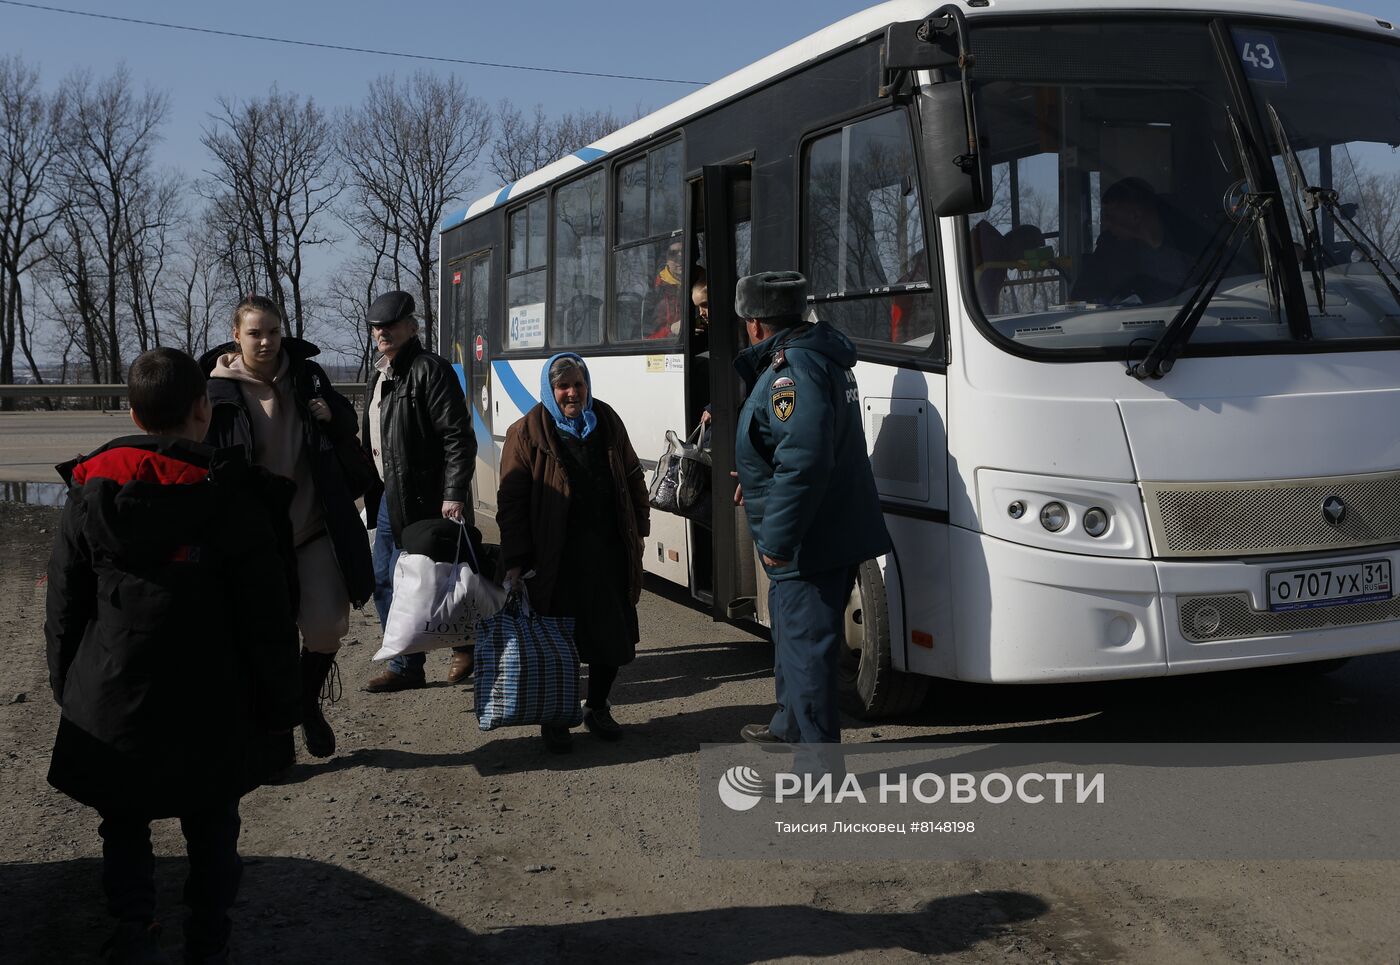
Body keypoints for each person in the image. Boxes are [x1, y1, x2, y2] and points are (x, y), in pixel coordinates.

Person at [45, 347, 300, 965]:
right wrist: (279, 706)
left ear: (134, 414)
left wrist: (67, 686)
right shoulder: (234, 496)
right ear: (202, 410)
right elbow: (268, 617)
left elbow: (64, 605)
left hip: (113, 690)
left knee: (122, 818)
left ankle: (133, 925)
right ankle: (207, 937)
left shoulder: (91, 491)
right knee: (212, 823)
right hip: (211, 696)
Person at [202, 295, 374, 760]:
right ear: (236, 336)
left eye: (273, 332)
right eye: (255, 333)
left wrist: (332, 416)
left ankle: (306, 702)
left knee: (326, 627)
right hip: (256, 541)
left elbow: (346, 425)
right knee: (266, 641)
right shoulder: (215, 391)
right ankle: (278, 738)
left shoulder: (306, 374)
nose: (266, 341)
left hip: (314, 525)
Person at [730, 271, 891, 750]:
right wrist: (756, 480)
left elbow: (805, 459)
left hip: (809, 538)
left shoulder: (792, 370)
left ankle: (818, 768)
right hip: (824, 527)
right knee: (792, 639)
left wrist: (779, 539)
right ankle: (790, 725)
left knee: (808, 655)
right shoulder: (813, 356)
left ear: (755, 323)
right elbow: (796, 449)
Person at [496, 353, 650, 753]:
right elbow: (511, 503)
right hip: (555, 558)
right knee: (558, 643)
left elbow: (632, 474)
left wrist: (640, 527)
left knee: (610, 637)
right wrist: (516, 560)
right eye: (563, 386)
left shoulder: (606, 420)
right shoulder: (526, 431)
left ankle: (597, 706)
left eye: (578, 385)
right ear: (550, 390)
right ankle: (556, 716)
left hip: (607, 551)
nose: (572, 393)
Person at [361, 290, 478, 693]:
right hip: (389, 498)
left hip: (427, 497)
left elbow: (458, 437)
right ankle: (406, 665)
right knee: (383, 580)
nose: (382, 332)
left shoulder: (430, 370)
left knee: (440, 579)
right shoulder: (380, 374)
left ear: (412, 327)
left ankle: (466, 643)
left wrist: (454, 492)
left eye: (391, 325)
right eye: (376, 327)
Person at [1071, 177, 1194, 305]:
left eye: (1111, 217)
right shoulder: (1108, 250)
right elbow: (1078, 299)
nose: (1106, 224)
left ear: (1135, 216)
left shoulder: (1189, 245)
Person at [644, 239, 685, 340]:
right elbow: (647, 339)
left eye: (684, 251)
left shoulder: (702, 282)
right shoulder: (655, 292)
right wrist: (671, 330)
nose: (680, 258)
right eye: (673, 253)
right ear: (666, 259)